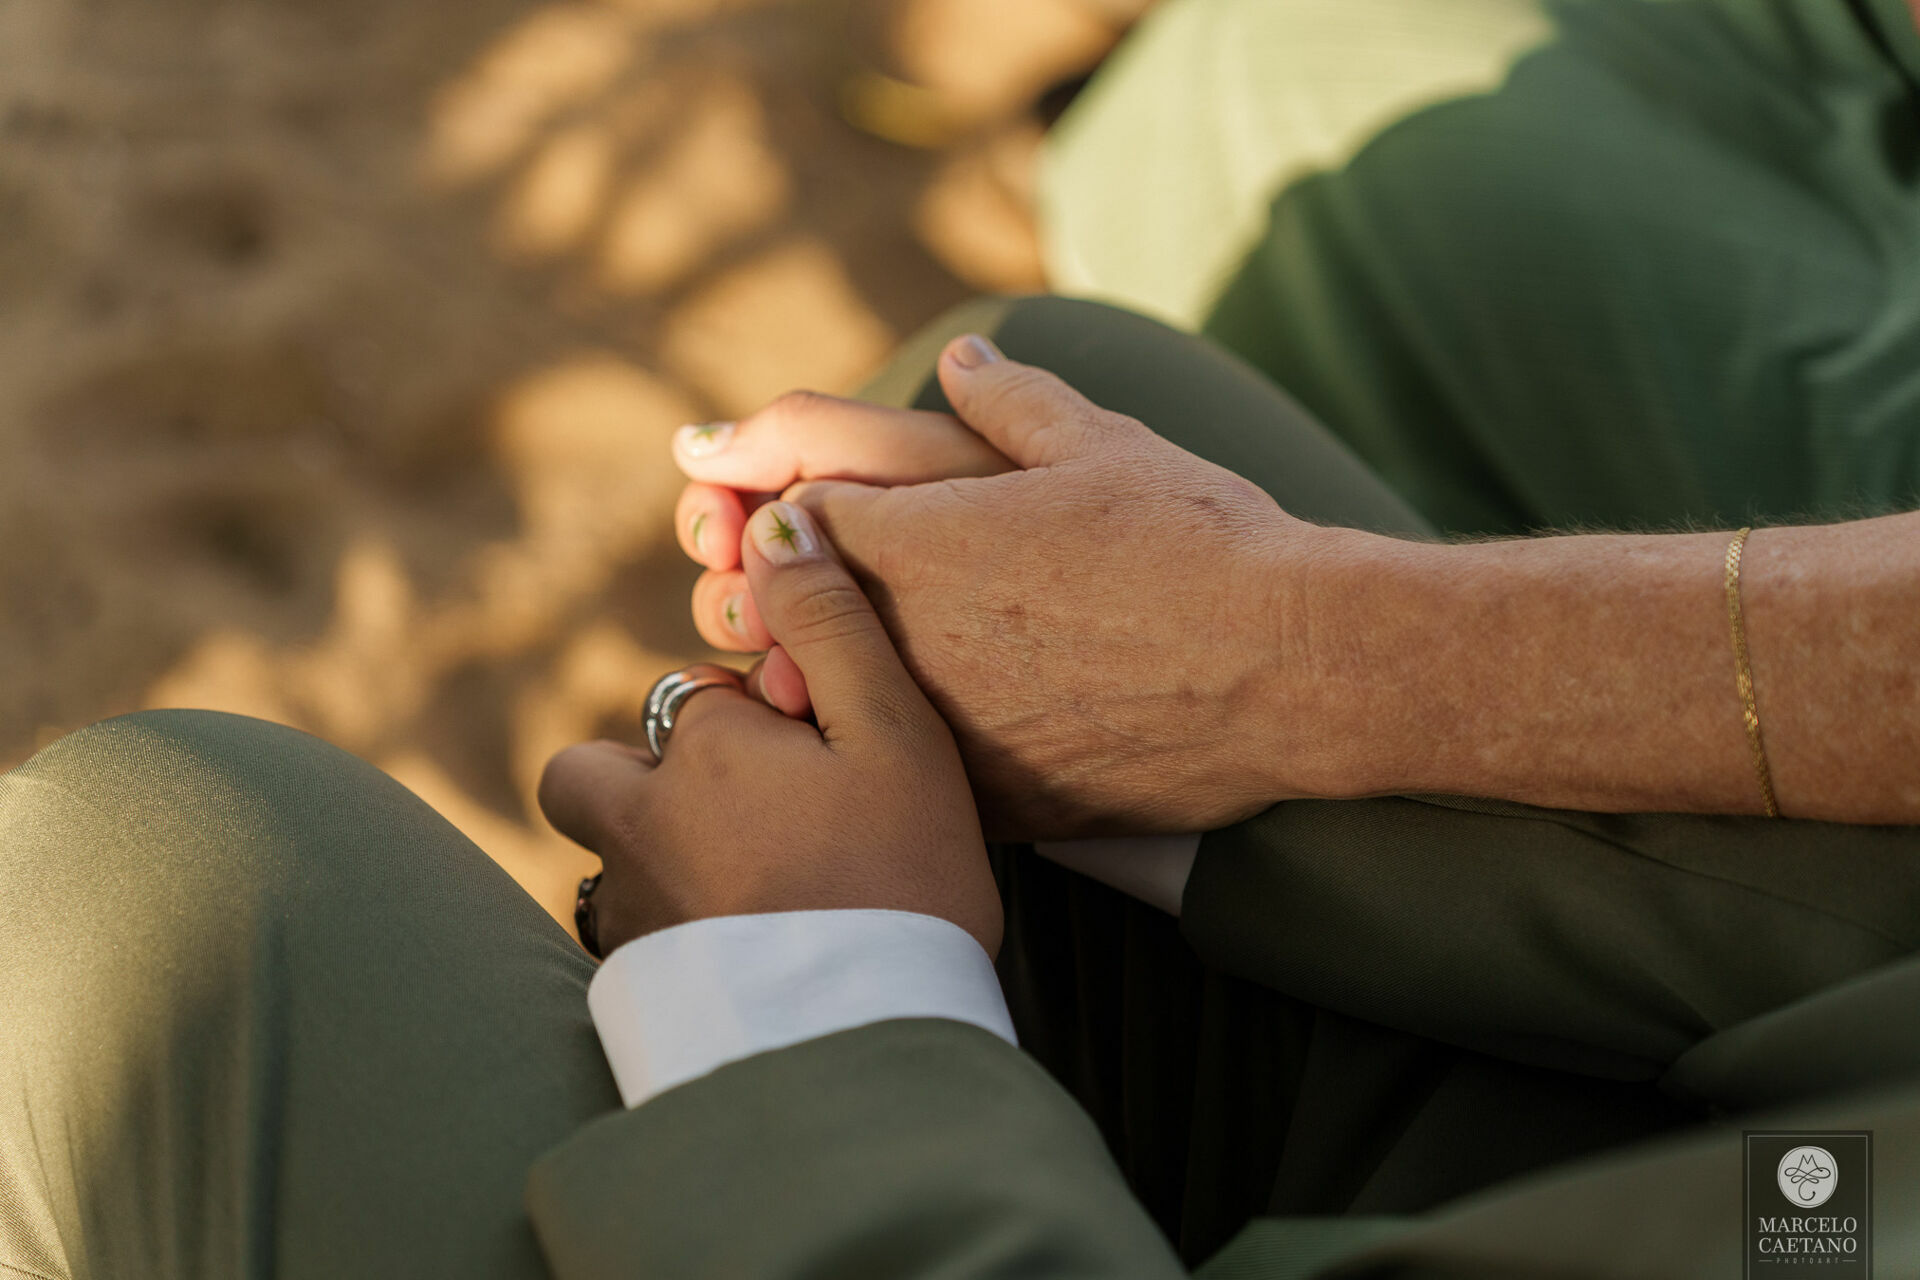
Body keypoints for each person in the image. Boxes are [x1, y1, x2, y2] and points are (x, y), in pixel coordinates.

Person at [6, 1, 1920, 1278]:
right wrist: (1277, 654)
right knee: (1045, 384)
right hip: (1798, 1103)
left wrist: (821, 995)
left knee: (154, 887)